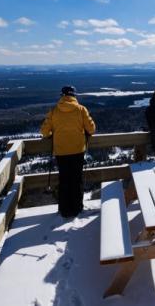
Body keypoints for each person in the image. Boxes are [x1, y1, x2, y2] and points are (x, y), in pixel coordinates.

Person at [40, 85, 96, 217]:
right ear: (74, 95)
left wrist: (50, 135)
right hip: (78, 150)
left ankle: (65, 209)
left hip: (61, 151)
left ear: (62, 96)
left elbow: (44, 131)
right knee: (77, 180)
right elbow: (92, 129)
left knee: (64, 179)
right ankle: (77, 208)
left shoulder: (54, 110)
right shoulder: (81, 109)